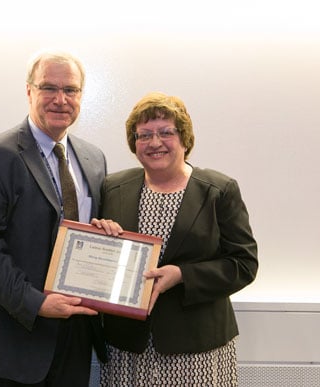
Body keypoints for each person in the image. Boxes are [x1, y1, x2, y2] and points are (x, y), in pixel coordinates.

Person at [0, 50, 121, 386]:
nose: (60, 99)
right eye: (48, 88)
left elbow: (84, 236)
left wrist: (105, 230)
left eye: (70, 90)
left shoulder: (93, 159)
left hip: (72, 342)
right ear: (29, 91)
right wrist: (36, 303)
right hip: (3, 342)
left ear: (81, 96)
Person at [98, 92, 259, 386]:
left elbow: (244, 264)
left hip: (198, 349)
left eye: (165, 132)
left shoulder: (218, 191)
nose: (154, 142)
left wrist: (182, 274)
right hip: (129, 348)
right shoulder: (113, 188)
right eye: (144, 134)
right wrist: (101, 232)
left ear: (184, 138)